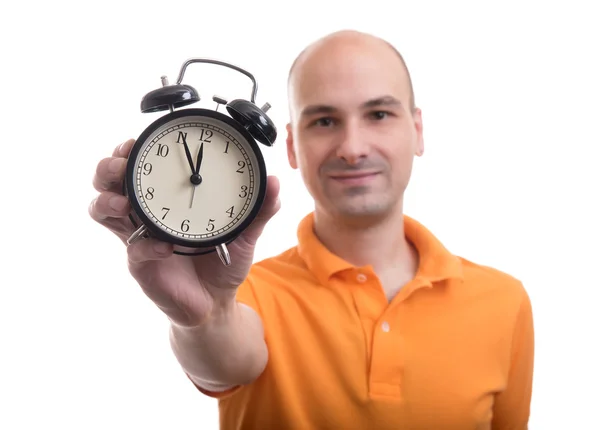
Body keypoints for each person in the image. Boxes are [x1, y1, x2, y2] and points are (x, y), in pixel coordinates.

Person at [89, 29, 535, 429]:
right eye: (323, 121)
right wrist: (203, 317)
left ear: (418, 131)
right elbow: (225, 360)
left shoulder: (504, 301)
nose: (353, 148)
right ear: (292, 146)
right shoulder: (246, 291)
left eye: (379, 114)